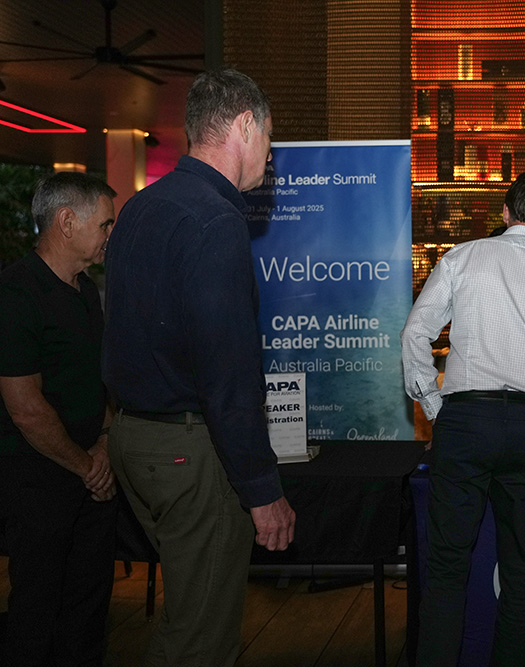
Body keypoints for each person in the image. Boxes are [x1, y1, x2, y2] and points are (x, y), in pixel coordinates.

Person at [102, 69, 296, 667]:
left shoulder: (141, 207)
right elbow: (227, 374)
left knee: (187, 613)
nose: (271, 155)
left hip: (134, 439)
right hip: (189, 450)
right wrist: (262, 491)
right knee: (200, 638)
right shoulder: (216, 222)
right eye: (270, 137)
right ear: (245, 125)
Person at [401, 172, 525, 666]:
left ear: (506, 213)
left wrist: (436, 407)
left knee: (447, 569)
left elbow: (414, 335)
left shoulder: (463, 257)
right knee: (521, 573)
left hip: (465, 421)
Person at [0, 172, 118, 666]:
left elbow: (101, 381)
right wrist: (87, 465)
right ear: (67, 222)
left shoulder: (87, 291)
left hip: (93, 480)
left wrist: (105, 444)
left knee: (88, 611)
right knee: (36, 612)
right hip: (40, 486)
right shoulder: (16, 293)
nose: (111, 235)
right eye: (105, 224)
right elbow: (26, 408)